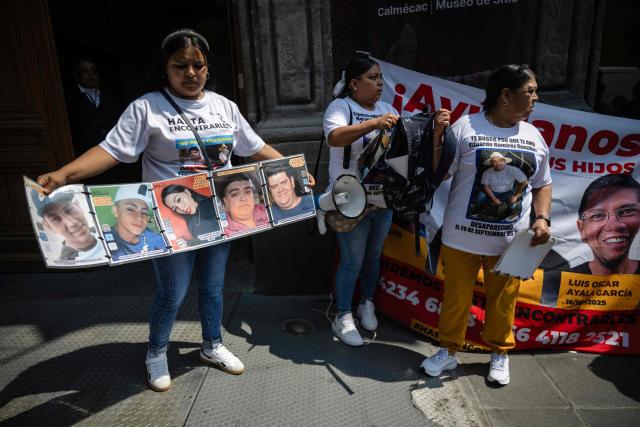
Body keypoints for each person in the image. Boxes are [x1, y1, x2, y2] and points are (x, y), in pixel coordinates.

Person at [37, 29, 298, 392]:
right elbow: (111, 150)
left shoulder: (225, 107)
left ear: (207, 68)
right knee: (172, 293)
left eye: (198, 66)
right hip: (167, 223)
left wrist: (293, 171)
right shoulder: (147, 107)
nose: (190, 73)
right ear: (165, 68)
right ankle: (156, 353)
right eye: (180, 66)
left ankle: (212, 345)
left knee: (213, 287)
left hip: (216, 217)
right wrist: (64, 173)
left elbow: (255, 147)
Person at [421, 64, 552, 386]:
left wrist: (542, 218)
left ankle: (499, 354)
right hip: (460, 239)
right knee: (455, 300)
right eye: (530, 91)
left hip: (509, 242)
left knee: (503, 301)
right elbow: (439, 173)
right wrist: (437, 137)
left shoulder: (534, 136)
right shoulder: (466, 127)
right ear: (506, 95)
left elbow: (543, 183)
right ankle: (448, 351)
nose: (536, 98)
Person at [323, 51, 399, 346]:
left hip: (381, 199)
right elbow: (336, 137)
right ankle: (342, 316)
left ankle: (367, 302)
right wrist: (374, 124)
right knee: (352, 260)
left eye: (380, 77)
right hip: (348, 199)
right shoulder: (341, 107)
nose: (379, 83)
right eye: (372, 78)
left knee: (373, 257)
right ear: (355, 83)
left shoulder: (388, 108)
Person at [65, 57, 138, 184]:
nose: (90, 75)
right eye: (84, 71)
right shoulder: (68, 98)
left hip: (114, 156)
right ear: (76, 74)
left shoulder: (111, 97)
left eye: (93, 71)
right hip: (85, 155)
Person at [572, 174, 640, 275]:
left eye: (627, 211)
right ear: (581, 229)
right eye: (597, 215)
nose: (614, 225)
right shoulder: (559, 281)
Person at [31, 190, 103, 261]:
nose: (71, 223)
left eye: (69, 210)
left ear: (78, 207)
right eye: (55, 219)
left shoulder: (104, 230)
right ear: (49, 227)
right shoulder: (66, 262)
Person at [109, 185, 167, 261]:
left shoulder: (152, 235)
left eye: (144, 212)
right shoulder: (105, 242)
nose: (139, 218)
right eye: (130, 209)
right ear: (115, 211)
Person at [473, 151, 528, 220]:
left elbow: (524, 182)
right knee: (480, 197)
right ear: (491, 163)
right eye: (494, 161)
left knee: (512, 205)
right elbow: (486, 186)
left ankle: (506, 217)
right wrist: (494, 198)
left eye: (501, 160)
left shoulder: (513, 170)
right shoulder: (487, 173)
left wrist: (516, 196)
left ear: (505, 161)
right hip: (493, 191)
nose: (498, 163)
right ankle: (477, 212)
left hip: (508, 191)